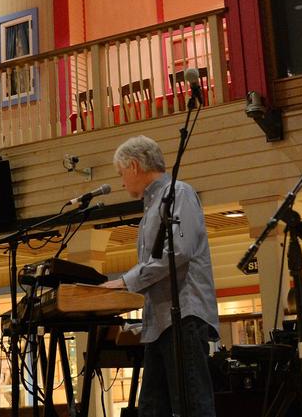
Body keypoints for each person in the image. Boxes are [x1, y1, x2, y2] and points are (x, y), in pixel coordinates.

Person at [101, 135, 220, 417]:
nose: (121, 182)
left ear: (133, 166)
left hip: (183, 318)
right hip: (160, 322)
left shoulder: (180, 192)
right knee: (152, 410)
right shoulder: (153, 206)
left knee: (193, 407)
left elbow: (179, 251)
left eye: (121, 174)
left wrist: (127, 282)